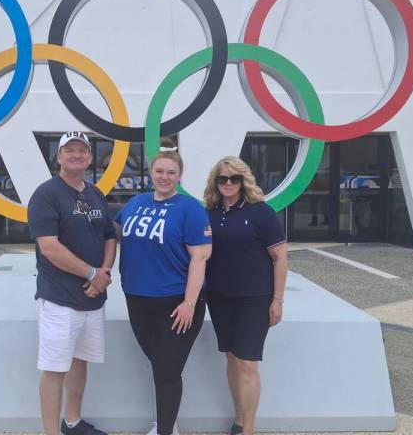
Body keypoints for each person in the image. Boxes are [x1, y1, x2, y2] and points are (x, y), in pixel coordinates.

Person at [114, 140, 212, 435]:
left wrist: (190, 303)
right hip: (137, 299)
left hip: (175, 302)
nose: (164, 177)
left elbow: (200, 256)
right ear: (151, 172)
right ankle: (166, 420)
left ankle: (165, 430)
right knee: (159, 364)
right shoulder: (135, 203)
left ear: (179, 175)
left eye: (171, 172)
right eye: (159, 171)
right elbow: (114, 234)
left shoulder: (190, 209)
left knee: (168, 370)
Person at [27, 131, 117, 435]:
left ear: (90, 157)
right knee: (54, 369)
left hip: (93, 299)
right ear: (59, 157)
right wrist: (92, 275)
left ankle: (73, 422)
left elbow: (109, 236)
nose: (76, 155)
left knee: (81, 362)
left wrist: (103, 272)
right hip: (59, 299)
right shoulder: (46, 194)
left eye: (82, 150)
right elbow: (49, 247)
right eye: (70, 150)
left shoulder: (95, 194)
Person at [203, 156, 288, 435]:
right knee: (231, 358)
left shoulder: (260, 211)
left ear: (244, 181)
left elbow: (280, 257)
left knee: (247, 363)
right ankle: (239, 420)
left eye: (234, 178)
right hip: (219, 297)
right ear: (216, 182)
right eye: (223, 178)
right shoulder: (210, 212)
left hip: (254, 299)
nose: (228, 183)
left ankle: (248, 430)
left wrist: (277, 300)